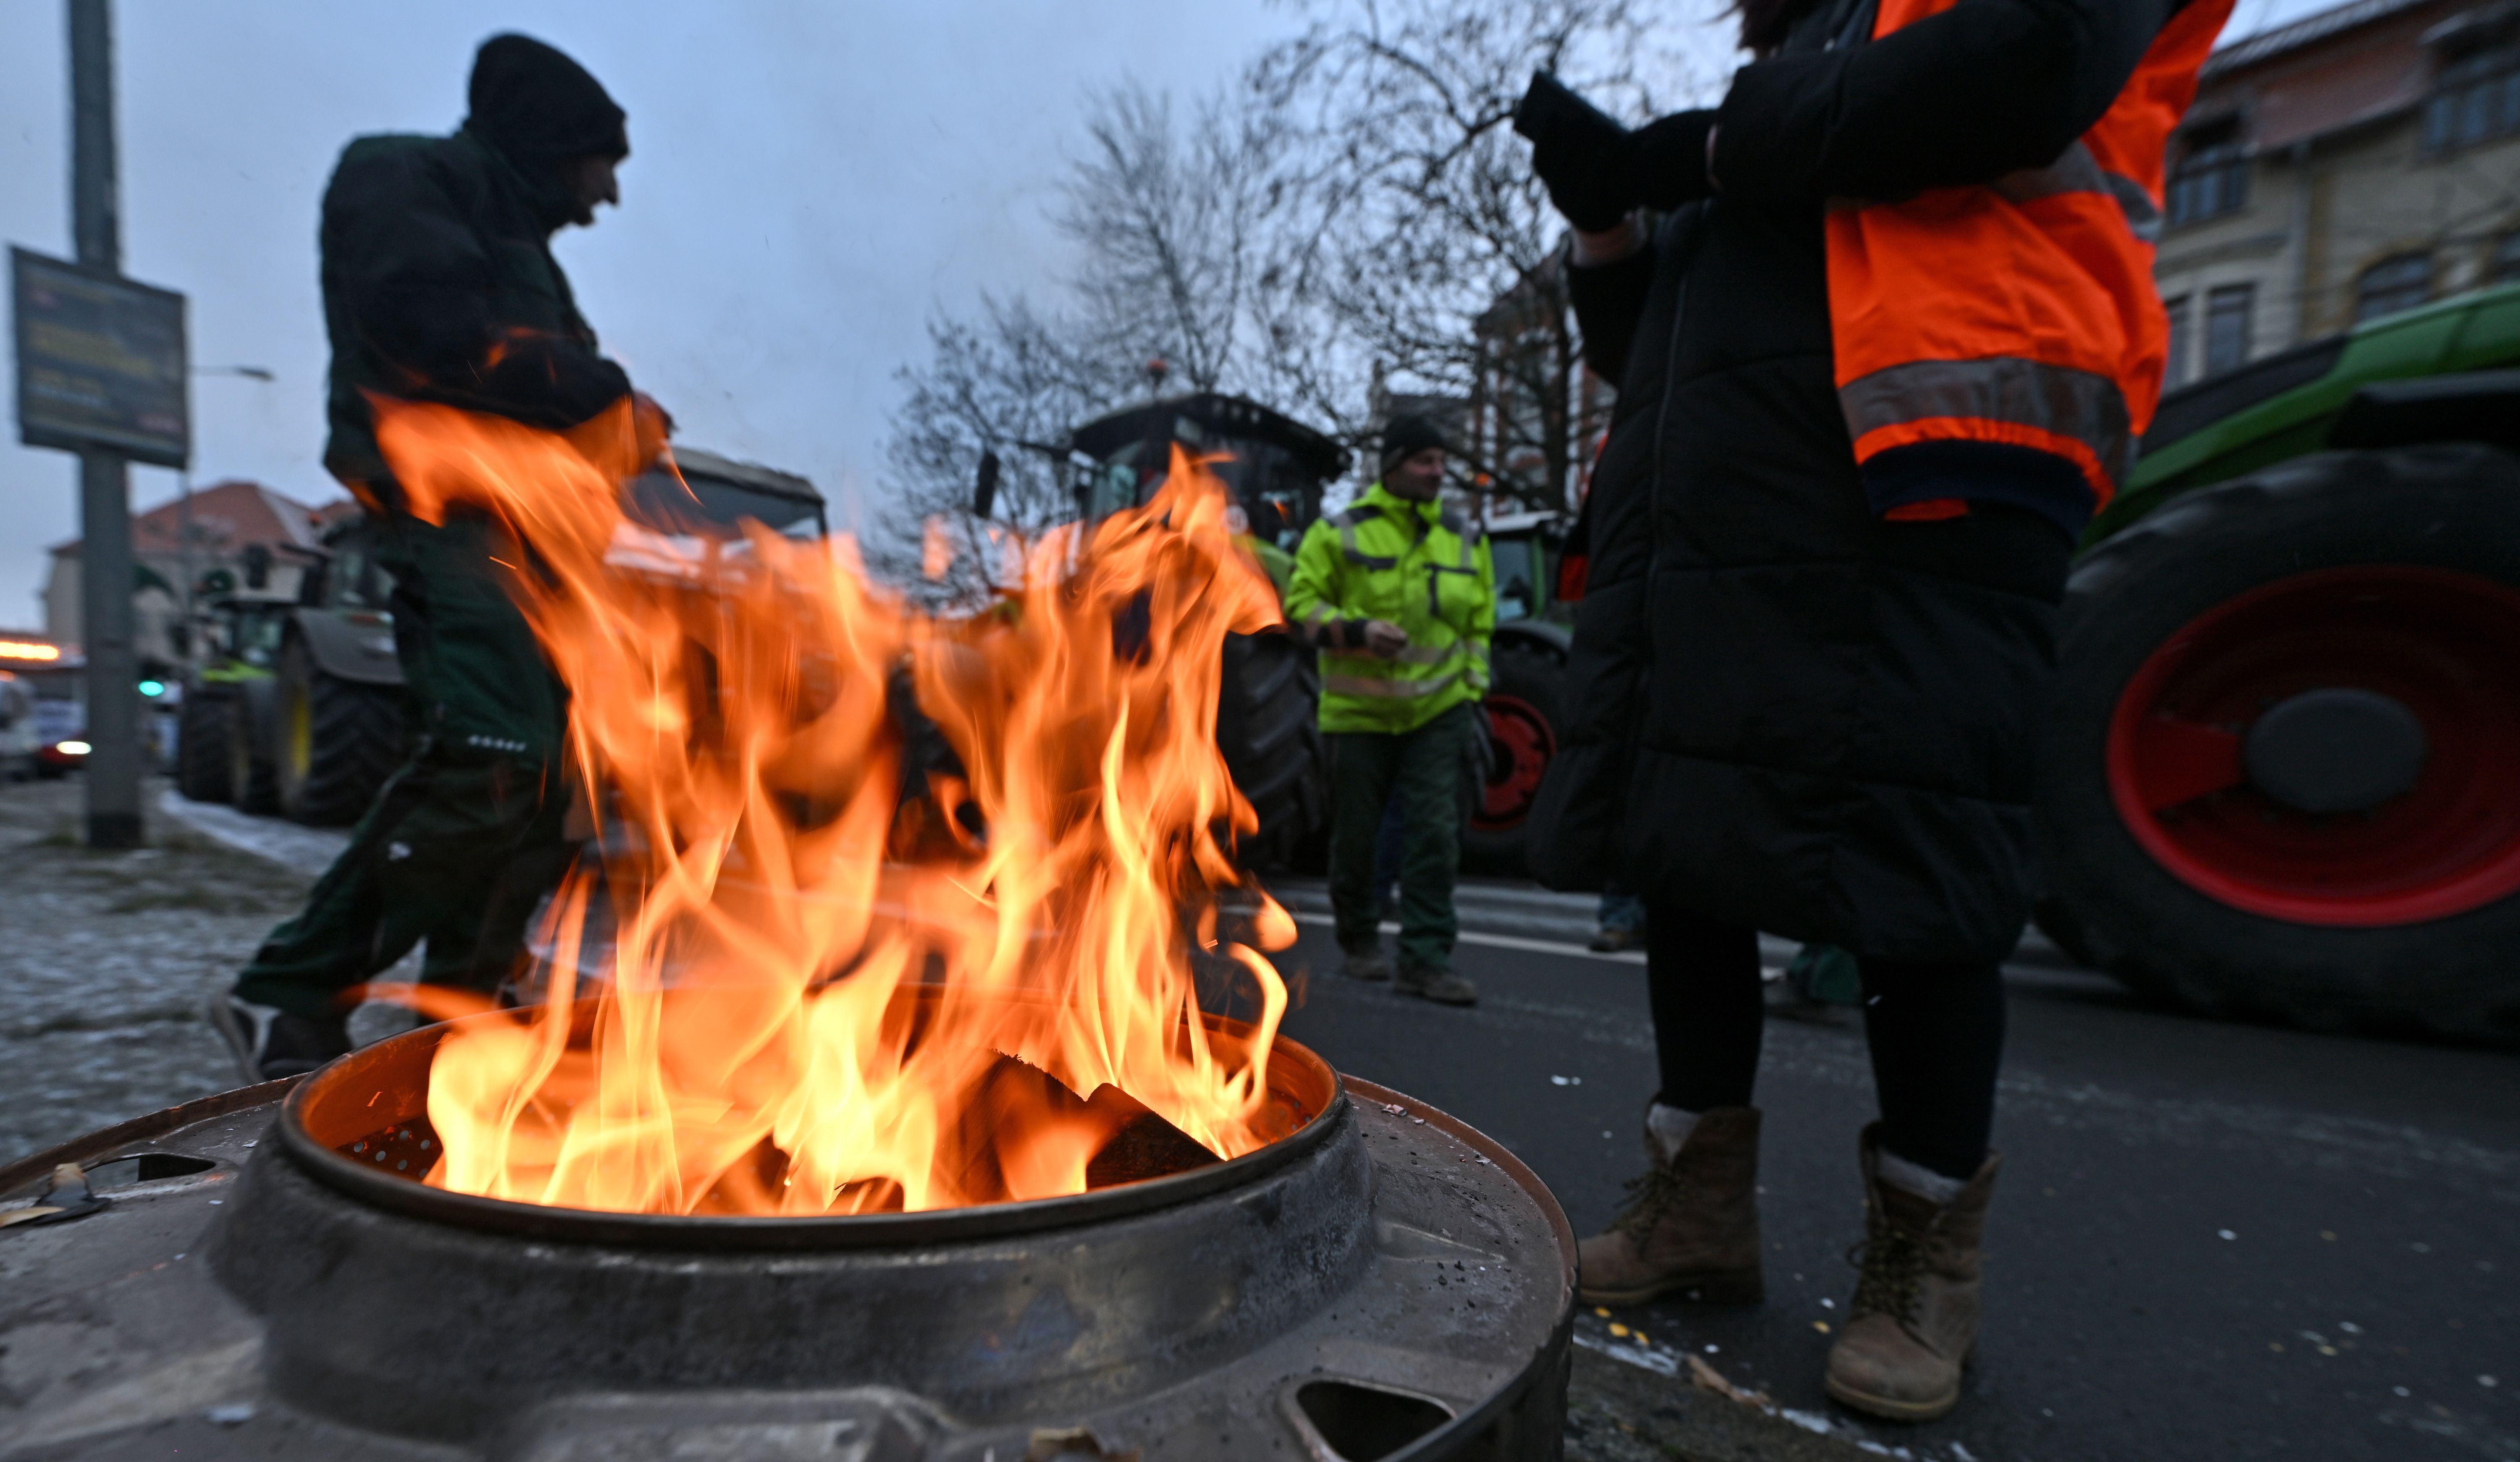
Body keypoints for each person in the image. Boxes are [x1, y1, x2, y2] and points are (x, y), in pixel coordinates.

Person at [1515, 0, 2230, 1423]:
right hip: (1730, 486)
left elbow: (2025, 63)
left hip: (1935, 446)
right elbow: (1659, 333)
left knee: (1918, 844)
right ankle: (1696, 1210)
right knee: (1689, 840)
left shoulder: (1835, 77)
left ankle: (1922, 1256)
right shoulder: (1804, 62)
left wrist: (1706, 145)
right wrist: (1610, 226)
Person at [209, 34, 662, 1083]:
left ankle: (466, 1008)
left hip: (540, 539)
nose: (608, 198)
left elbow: (557, 391)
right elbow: (435, 327)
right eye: (605, 166)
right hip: (448, 510)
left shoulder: (534, 256)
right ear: (555, 143)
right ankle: (285, 991)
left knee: (558, 778)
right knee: (494, 750)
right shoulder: (404, 176)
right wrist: (601, 395)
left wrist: (621, 434)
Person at [1286, 416, 1495, 1007]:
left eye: (1440, 462)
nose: (1437, 472)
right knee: (1356, 835)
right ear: (1393, 464)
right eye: (1425, 461)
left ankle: (1426, 960)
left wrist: (1473, 685)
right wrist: (1356, 629)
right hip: (1359, 714)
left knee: (1435, 833)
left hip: (1439, 708)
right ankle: (1358, 941)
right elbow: (1299, 606)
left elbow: (1478, 621)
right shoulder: (1340, 532)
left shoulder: (1463, 537)